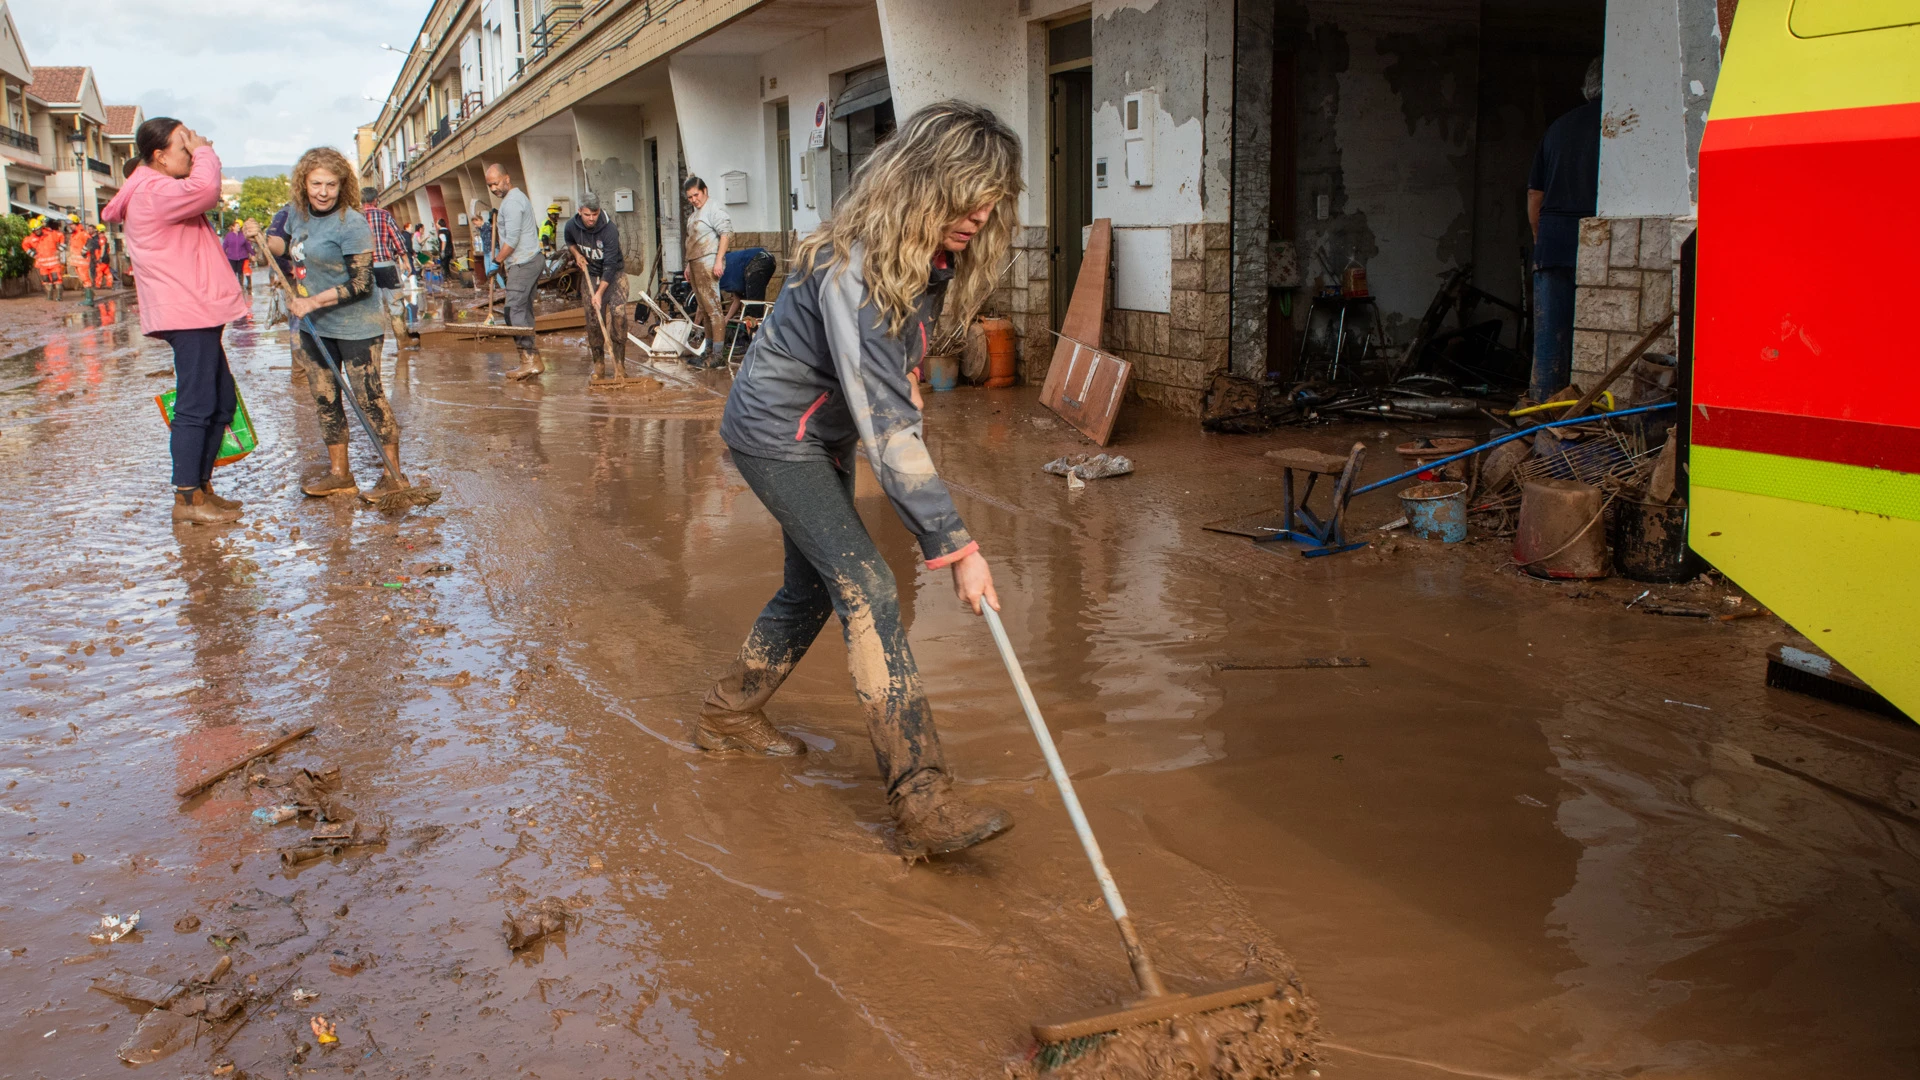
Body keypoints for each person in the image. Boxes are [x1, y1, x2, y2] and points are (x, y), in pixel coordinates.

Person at [700, 101, 1020, 857]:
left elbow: (882, 363)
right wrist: (957, 546)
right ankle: (922, 799)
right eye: (967, 193)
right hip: (780, 437)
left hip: (819, 430)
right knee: (869, 589)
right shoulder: (857, 265)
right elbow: (887, 428)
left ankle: (727, 716)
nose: (979, 212)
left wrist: (905, 372)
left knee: (814, 586)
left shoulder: (924, 256)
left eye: (991, 198)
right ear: (921, 182)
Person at [100, 116, 251, 524]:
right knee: (196, 404)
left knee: (220, 400)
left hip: (196, 308)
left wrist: (196, 150)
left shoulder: (159, 187)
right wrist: (204, 152)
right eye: (182, 146)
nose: (192, 150)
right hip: (187, 310)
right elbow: (205, 189)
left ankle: (201, 489)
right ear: (159, 156)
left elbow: (200, 192)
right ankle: (187, 498)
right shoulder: (152, 190)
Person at [246, 147, 405, 503]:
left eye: (331, 185)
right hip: (315, 328)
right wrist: (259, 237)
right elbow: (282, 246)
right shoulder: (296, 216)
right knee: (325, 399)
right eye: (316, 183)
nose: (322, 192)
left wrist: (311, 302)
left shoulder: (352, 222)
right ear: (304, 183)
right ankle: (340, 475)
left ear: (342, 186)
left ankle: (394, 476)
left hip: (357, 327)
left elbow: (362, 282)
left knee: (369, 398)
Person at [1528, 57, 1604, 401]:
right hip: (1600, 242)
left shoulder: (1558, 127)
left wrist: (1538, 237)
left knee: (1550, 339)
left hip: (1554, 238)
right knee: (1595, 339)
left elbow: (1535, 194)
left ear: (1586, 88)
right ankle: (1584, 408)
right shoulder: (1622, 126)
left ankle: (1543, 406)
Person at [485, 162, 544, 379]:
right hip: (528, 260)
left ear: (507, 178)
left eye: (496, 183)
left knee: (513, 312)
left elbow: (512, 240)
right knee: (523, 312)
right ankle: (533, 360)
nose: (493, 189)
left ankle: (528, 359)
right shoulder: (515, 199)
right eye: (490, 185)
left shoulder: (511, 203)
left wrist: (496, 261)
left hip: (523, 263)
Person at [564, 191, 628, 380]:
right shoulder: (571, 226)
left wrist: (599, 293)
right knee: (593, 321)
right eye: (587, 215)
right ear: (579, 212)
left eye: (595, 214)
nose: (591, 219)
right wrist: (577, 255)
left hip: (615, 275)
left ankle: (620, 366)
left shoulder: (609, 230)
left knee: (619, 317)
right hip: (590, 274)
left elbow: (610, 265)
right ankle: (599, 365)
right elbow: (569, 241)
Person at [682, 176, 732, 362]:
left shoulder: (714, 208)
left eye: (696, 195)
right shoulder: (694, 215)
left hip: (708, 261)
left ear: (705, 191)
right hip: (695, 262)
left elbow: (726, 234)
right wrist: (688, 265)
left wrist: (719, 261)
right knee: (703, 307)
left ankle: (718, 355)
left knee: (713, 308)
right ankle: (708, 350)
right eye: (690, 197)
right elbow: (692, 242)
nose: (694, 199)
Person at [23, 220, 64, 300]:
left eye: (39, 229)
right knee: (46, 280)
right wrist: (33, 254)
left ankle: (59, 296)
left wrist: (60, 249)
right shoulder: (31, 239)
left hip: (54, 263)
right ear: (33, 230)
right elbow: (25, 245)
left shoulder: (50, 234)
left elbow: (61, 236)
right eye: (36, 230)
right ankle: (49, 296)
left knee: (56, 279)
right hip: (42, 264)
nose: (38, 231)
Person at [221, 221, 250, 287]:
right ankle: (234, 285)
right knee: (233, 271)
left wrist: (252, 253)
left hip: (242, 256)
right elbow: (225, 245)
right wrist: (223, 253)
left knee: (240, 271)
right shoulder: (229, 235)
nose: (238, 227)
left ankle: (241, 285)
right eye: (237, 226)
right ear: (233, 227)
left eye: (239, 226)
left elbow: (247, 245)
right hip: (231, 256)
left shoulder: (242, 235)